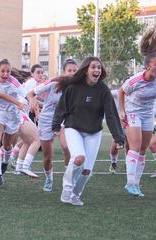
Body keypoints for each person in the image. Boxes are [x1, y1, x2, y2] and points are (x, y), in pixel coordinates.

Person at [53, 56, 124, 206]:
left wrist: (118, 138)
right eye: (93, 67)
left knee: (86, 171)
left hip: (94, 132)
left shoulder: (103, 90)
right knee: (79, 158)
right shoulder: (73, 88)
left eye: (99, 67)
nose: (97, 70)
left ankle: (75, 195)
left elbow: (111, 115)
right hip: (73, 128)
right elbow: (61, 107)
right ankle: (66, 189)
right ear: (86, 70)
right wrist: (56, 126)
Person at [118, 25, 156, 197]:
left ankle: (136, 185)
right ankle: (129, 183)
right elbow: (122, 91)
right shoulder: (135, 80)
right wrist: (122, 111)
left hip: (147, 114)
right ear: (147, 67)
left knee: (143, 149)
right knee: (135, 147)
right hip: (133, 113)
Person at [0, 59, 26, 185]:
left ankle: (5, 162)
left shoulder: (14, 83)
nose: (5, 74)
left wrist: (22, 103)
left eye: (8, 71)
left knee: (8, 145)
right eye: (2, 71)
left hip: (12, 116)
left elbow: (24, 96)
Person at [27, 76, 64, 191]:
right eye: (69, 70)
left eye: (74, 71)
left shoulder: (76, 86)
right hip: (47, 120)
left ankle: (69, 179)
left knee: (67, 147)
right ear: (64, 72)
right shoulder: (52, 83)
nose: (71, 73)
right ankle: (49, 178)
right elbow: (30, 94)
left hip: (64, 120)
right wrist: (32, 100)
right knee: (48, 157)